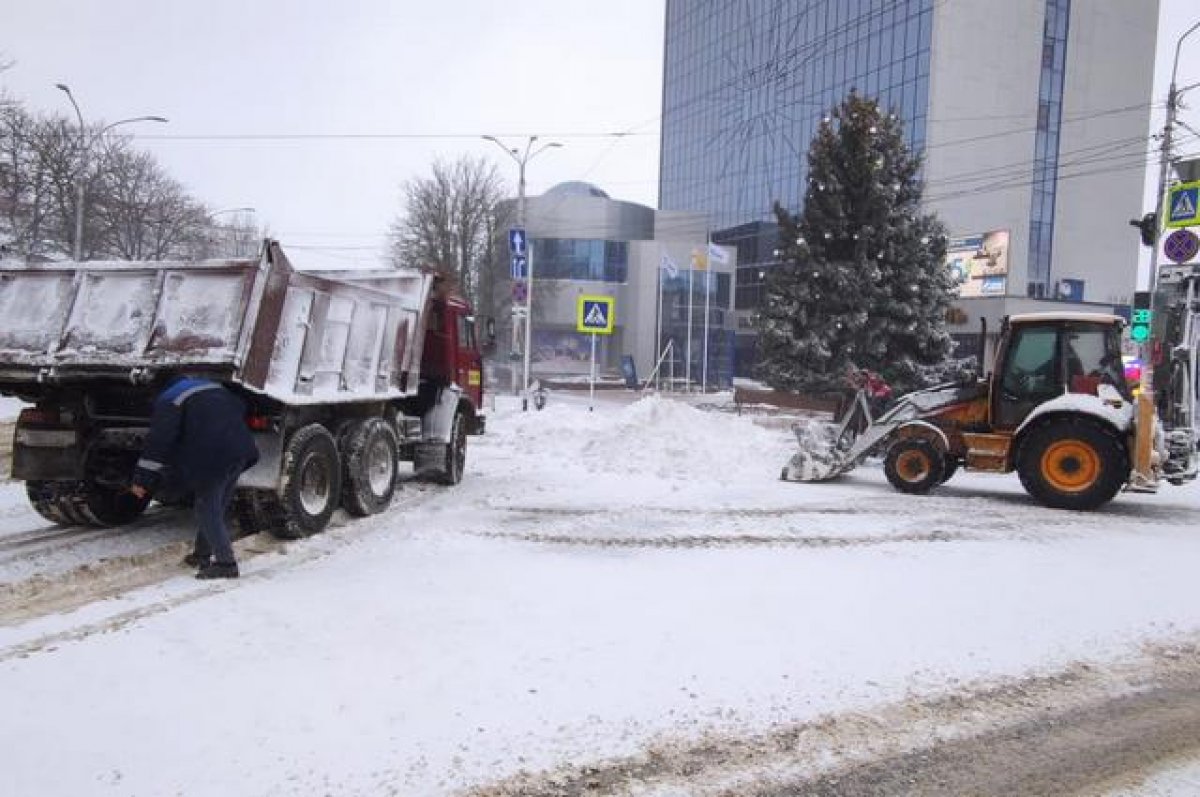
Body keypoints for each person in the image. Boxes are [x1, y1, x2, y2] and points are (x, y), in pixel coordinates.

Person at [129, 375, 259, 579]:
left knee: (206, 508)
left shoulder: (169, 399)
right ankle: (202, 554)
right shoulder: (212, 387)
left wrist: (141, 480)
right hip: (240, 451)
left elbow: (158, 444)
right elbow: (240, 406)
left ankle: (226, 564)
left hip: (214, 457)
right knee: (216, 506)